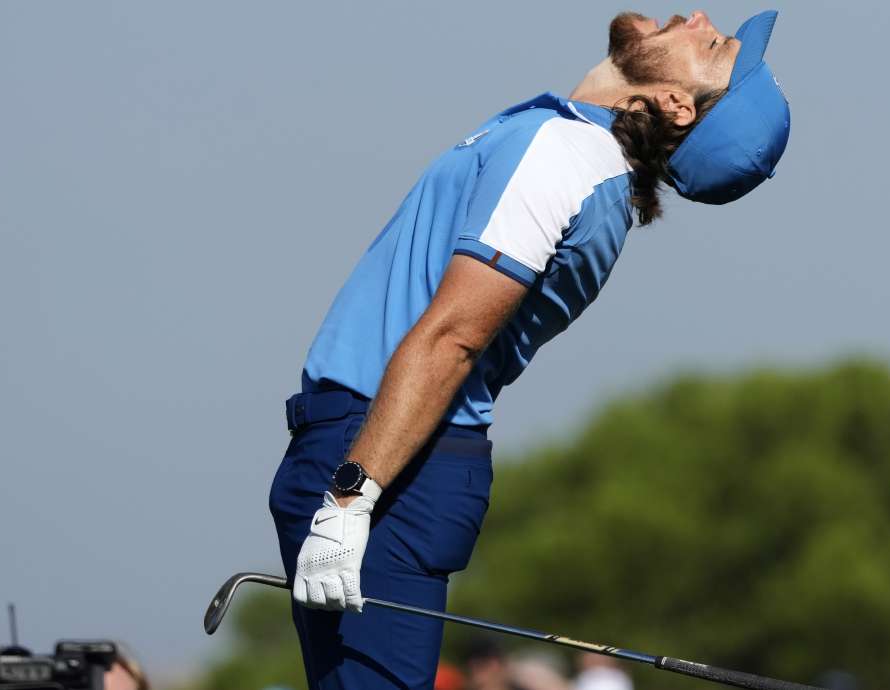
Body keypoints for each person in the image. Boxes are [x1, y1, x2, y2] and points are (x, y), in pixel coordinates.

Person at [268, 7, 790, 690]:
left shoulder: (568, 157)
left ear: (674, 104)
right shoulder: (573, 150)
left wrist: (350, 496)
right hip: (389, 453)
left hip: (388, 463)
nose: (696, 17)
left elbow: (456, 337)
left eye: (713, 44)